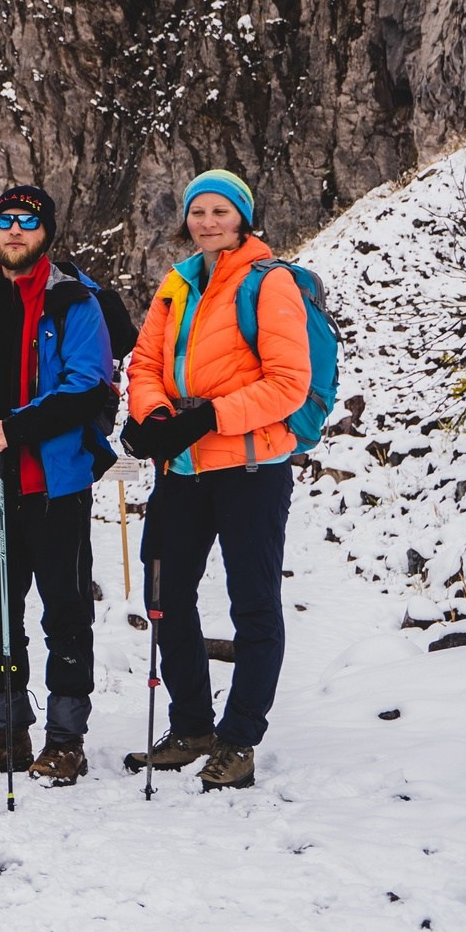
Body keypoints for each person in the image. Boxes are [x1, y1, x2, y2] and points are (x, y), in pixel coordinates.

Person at [122, 170, 311, 790]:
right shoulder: (177, 284)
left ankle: (239, 739)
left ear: (243, 218)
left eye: (220, 211)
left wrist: (209, 416)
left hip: (250, 468)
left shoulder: (270, 283)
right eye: (197, 211)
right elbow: (146, 362)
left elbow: (289, 384)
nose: (207, 221)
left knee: (253, 603)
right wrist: (153, 417)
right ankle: (192, 726)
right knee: (164, 593)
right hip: (183, 468)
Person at [0, 184, 118, 784]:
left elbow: (86, 385)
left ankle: (66, 738)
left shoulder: (73, 300)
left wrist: (10, 429)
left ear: (46, 232)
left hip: (54, 481)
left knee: (64, 611)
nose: (14, 231)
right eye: (5, 221)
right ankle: (5, 730)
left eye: (27, 222)